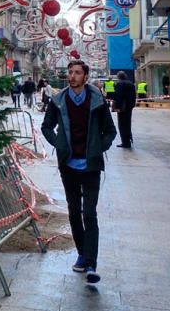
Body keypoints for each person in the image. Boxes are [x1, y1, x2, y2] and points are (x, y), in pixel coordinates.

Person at [41, 60, 117, 284]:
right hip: (69, 166)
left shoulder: (97, 100)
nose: (72, 76)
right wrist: (60, 145)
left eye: (77, 73)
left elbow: (110, 131)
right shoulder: (59, 101)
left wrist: (98, 147)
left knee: (89, 213)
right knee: (74, 211)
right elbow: (46, 126)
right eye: (70, 72)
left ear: (85, 76)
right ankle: (82, 254)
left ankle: (92, 263)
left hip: (91, 166)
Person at [113, 71, 137, 149]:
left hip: (122, 108)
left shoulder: (119, 84)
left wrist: (117, 107)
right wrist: (132, 105)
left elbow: (119, 96)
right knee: (128, 123)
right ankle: (128, 140)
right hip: (129, 107)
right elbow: (134, 96)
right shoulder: (131, 84)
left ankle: (125, 142)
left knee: (122, 125)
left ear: (119, 77)